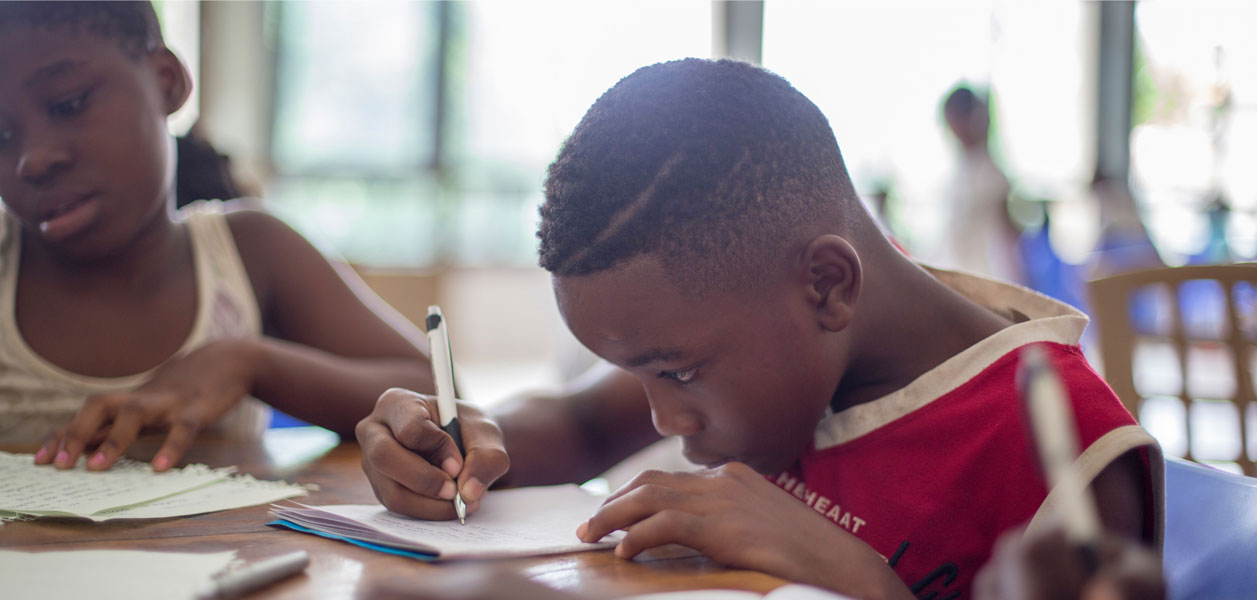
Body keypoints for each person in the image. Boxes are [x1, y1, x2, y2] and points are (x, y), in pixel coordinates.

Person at [356, 59, 1163, 599]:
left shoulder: (1064, 451)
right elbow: (570, 420)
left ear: (825, 284)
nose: (660, 421)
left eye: (674, 372)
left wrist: (859, 579)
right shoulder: (786, 335)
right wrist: (459, 442)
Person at [0, 1, 433, 472]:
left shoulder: (249, 251)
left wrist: (250, 364)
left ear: (167, 81)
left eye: (68, 104)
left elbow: (438, 398)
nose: (33, 160)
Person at [940, 85, 1024, 285]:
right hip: (961, 276)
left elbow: (1007, 238)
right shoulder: (960, 170)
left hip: (987, 279)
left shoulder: (990, 173)